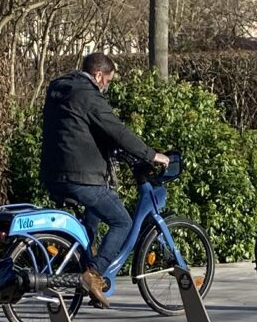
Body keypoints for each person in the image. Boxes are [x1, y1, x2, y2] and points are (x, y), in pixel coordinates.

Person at [39, 52, 168, 303]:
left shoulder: (61, 90)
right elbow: (116, 130)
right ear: (99, 76)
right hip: (80, 178)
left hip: (53, 174)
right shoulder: (88, 94)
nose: (107, 86)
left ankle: (86, 279)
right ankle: (94, 274)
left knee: (92, 223)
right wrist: (152, 155)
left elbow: (78, 131)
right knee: (123, 222)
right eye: (108, 81)